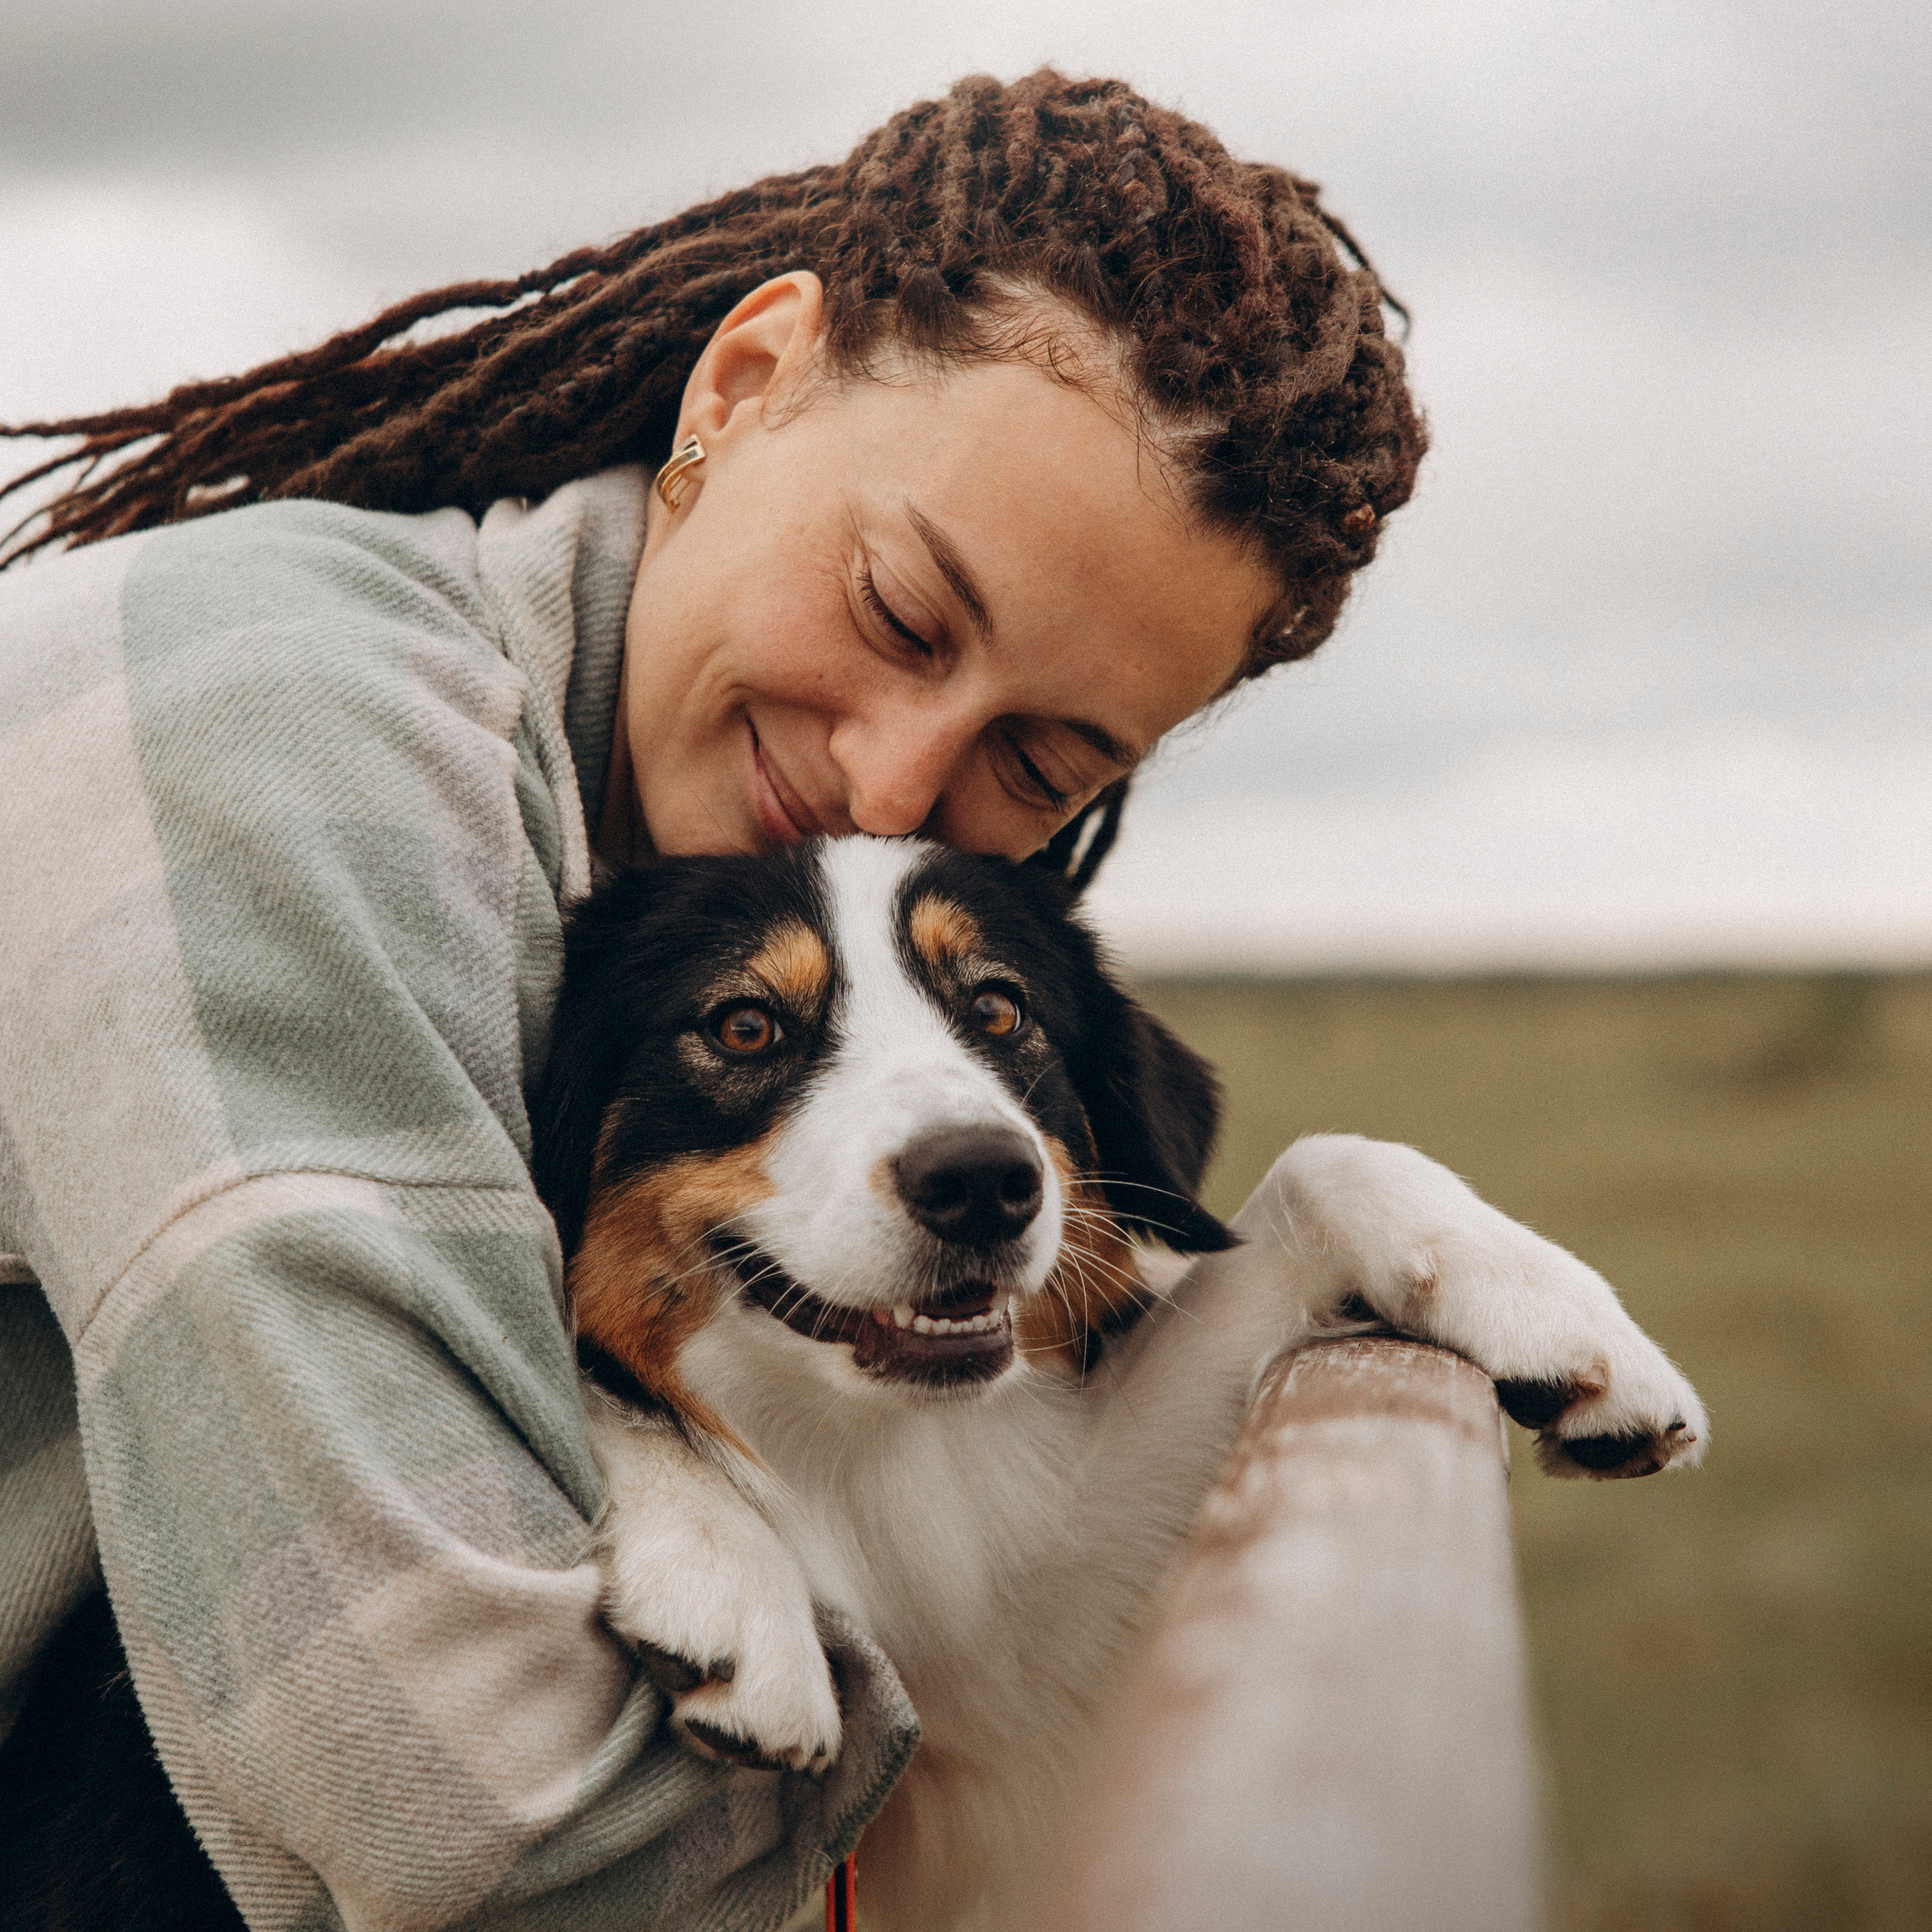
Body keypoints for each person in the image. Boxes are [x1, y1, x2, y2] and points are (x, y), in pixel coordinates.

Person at [0, 69, 1426, 1930]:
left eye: (1043, 762)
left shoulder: (614, 839)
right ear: (740, 387)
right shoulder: (269, 735)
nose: (897, 786)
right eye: (906, 612)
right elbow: (475, 1799)